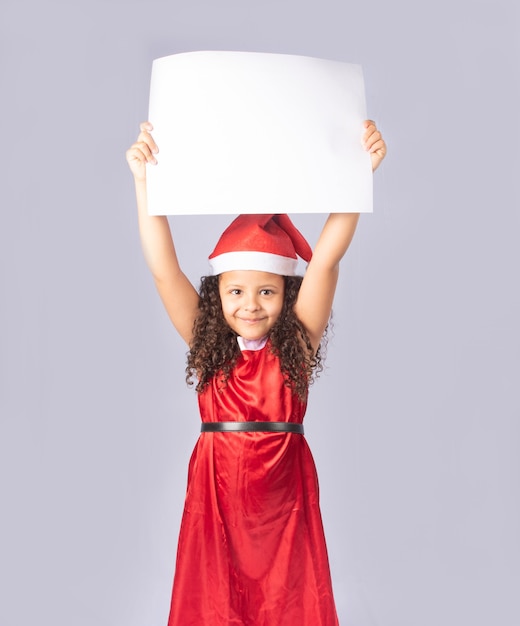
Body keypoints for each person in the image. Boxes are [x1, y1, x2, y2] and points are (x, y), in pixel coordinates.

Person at [126, 120, 386, 626]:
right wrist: (143, 181)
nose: (250, 304)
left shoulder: (297, 347)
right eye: (236, 292)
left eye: (267, 291)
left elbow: (327, 260)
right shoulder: (209, 348)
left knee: (288, 601)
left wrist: (359, 177)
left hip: (283, 500)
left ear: (287, 295)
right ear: (216, 294)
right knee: (216, 602)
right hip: (216, 494)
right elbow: (163, 268)